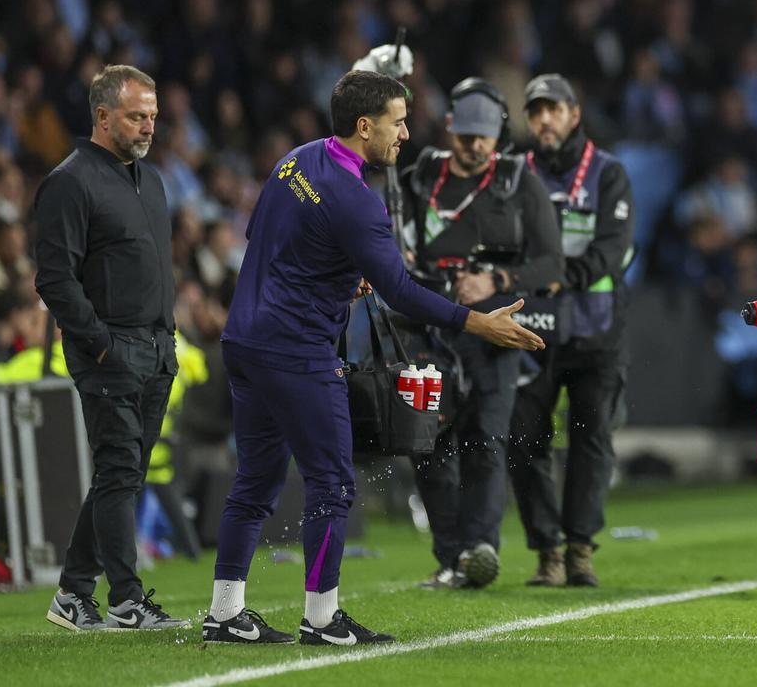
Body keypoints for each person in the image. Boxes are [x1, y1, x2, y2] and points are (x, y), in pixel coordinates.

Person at [203, 70, 544, 646]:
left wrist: (336, 275)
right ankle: (322, 619)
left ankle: (225, 612)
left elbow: (266, 233)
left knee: (256, 480)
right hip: (297, 350)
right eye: (398, 121)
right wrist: (477, 321)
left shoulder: (297, 160)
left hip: (244, 341)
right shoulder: (357, 203)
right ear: (366, 126)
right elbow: (402, 292)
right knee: (332, 483)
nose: (406, 133)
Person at [35, 64, 186, 631]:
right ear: (102, 116)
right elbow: (54, 279)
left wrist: (165, 335)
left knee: (120, 477)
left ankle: (74, 594)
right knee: (121, 470)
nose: (149, 127)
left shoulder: (151, 178)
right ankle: (126, 600)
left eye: (152, 116)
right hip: (112, 351)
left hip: (155, 347)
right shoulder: (70, 181)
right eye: (136, 116)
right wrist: (100, 345)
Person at [402, 78, 562, 589]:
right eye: (465, 134)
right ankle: (449, 556)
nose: (473, 145)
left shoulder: (518, 181)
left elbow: (551, 261)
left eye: (483, 137)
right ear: (450, 127)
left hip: (496, 330)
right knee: (424, 442)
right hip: (425, 323)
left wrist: (494, 279)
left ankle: (478, 549)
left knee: (486, 440)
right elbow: (385, 217)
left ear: (500, 136)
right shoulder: (421, 175)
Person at [508, 73, 634, 588]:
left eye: (552, 110)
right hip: (531, 329)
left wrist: (555, 277)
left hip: (594, 331)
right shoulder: (514, 174)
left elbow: (614, 249)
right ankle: (547, 552)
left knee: (591, 439)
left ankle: (580, 548)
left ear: (573, 115)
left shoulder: (607, 174)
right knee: (523, 439)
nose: (543, 120)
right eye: (535, 111)